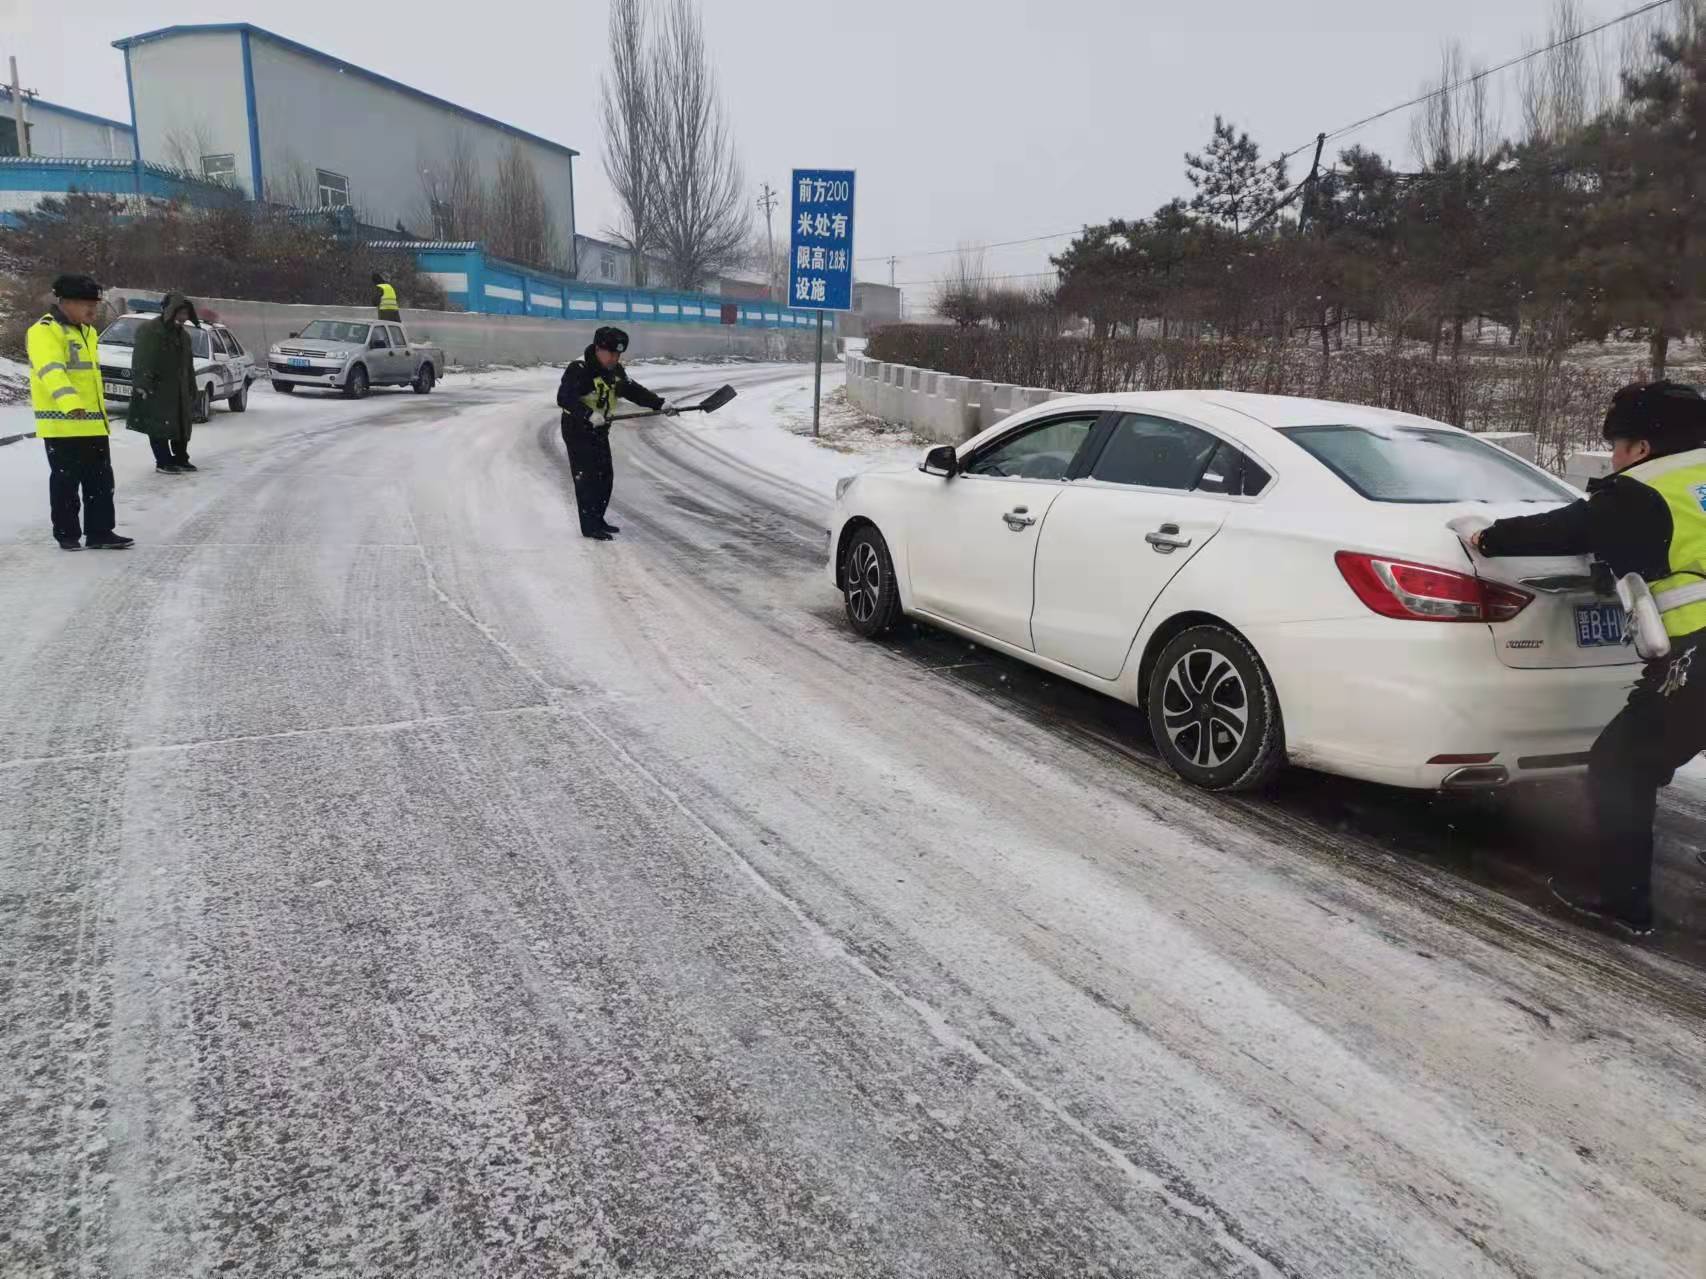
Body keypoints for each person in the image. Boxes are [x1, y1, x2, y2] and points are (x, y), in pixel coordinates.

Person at [1473, 380, 1706, 936]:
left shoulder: (1644, 488)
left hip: (1699, 650)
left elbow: (1568, 528)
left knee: (1621, 765)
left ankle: (1621, 904)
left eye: (1618, 445)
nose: (1613, 457)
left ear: (1643, 447)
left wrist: (1489, 537)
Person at [27, 274, 133, 551]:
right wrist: (70, 402)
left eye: (95, 305)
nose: (93, 310)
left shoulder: (88, 332)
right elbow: (51, 371)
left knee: (100, 482)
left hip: (93, 423)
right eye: (88, 304)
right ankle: (67, 534)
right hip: (62, 422)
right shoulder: (44, 330)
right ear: (68, 302)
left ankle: (100, 532)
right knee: (65, 483)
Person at [555, 326, 676, 540]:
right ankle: (590, 526)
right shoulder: (580, 369)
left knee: (605, 477)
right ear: (597, 349)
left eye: (618, 354)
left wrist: (659, 404)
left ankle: (598, 519)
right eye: (610, 353)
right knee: (587, 478)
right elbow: (564, 397)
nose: (614, 358)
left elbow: (632, 390)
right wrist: (588, 414)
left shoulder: (615, 371)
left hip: (600, 429)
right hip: (577, 429)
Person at [126, 291, 201, 474]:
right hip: (157, 389)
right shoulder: (150, 330)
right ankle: (163, 461)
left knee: (181, 425)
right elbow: (142, 359)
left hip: (179, 389)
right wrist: (142, 384)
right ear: (170, 311)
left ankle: (181, 458)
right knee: (159, 426)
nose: (183, 318)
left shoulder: (184, 336)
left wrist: (191, 386)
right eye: (180, 313)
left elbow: (188, 364)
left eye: (185, 314)